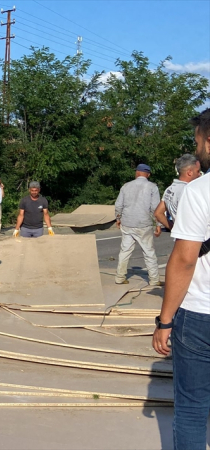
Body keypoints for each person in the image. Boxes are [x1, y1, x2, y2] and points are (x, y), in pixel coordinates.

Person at [152, 108, 210, 450]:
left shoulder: (201, 191)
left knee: (191, 407)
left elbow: (185, 259)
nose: (198, 148)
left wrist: (165, 320)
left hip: (201, 314)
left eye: (198, 140)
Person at [114, 164, 162, 286]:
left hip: (127, 223)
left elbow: (119, 204)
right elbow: (155, 208)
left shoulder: (126, 186)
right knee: (148, 252)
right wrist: (158, 224)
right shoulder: (152, 187)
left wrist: (118, 218)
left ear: (137, 173)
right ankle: (154, 280)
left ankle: (120, 277)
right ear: (148, 174)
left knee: (125, 251)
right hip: (143, 224)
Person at [154, 154, 202, 233]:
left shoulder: (170, 189)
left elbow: (158, 213)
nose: (199, 174)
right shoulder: (189, 190)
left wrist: (174, 229)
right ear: (189, 172)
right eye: (197, 171)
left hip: (181, 237)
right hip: (195, 239)